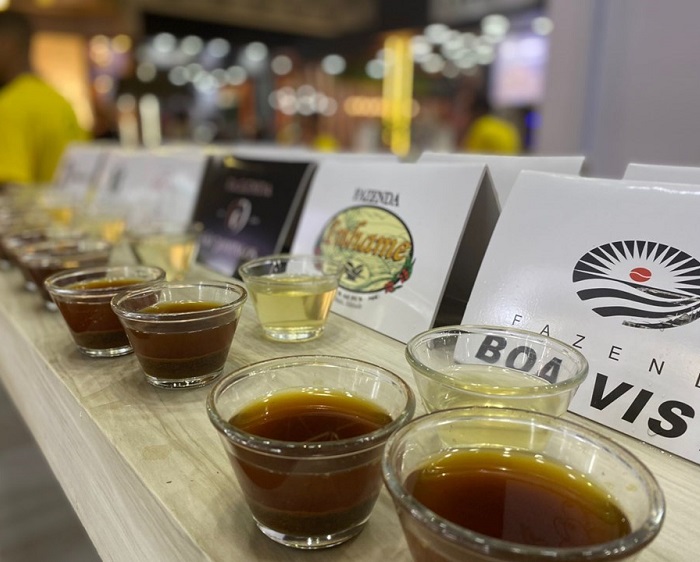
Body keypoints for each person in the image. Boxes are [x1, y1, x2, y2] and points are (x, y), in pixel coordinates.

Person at [0, 10, 86, 187]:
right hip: (68, 205)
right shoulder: (59, 101)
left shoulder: (8, 106)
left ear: (7, 44)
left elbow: (9, 191)